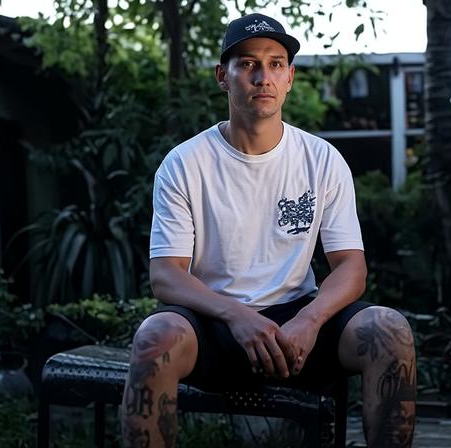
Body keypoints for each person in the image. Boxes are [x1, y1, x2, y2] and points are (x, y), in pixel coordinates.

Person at [121, 12, 416, 448]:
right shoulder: (184, 164)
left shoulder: (322, 159)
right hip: (216, 326)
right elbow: (165, 274)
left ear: (291, 77)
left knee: (388, 330)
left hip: (298, 324)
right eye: (249, 64)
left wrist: (310, 320)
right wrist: (236, 316)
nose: (263, 76)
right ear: (224, 76)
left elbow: (351, 267)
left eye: (276, 64)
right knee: (154, 338)